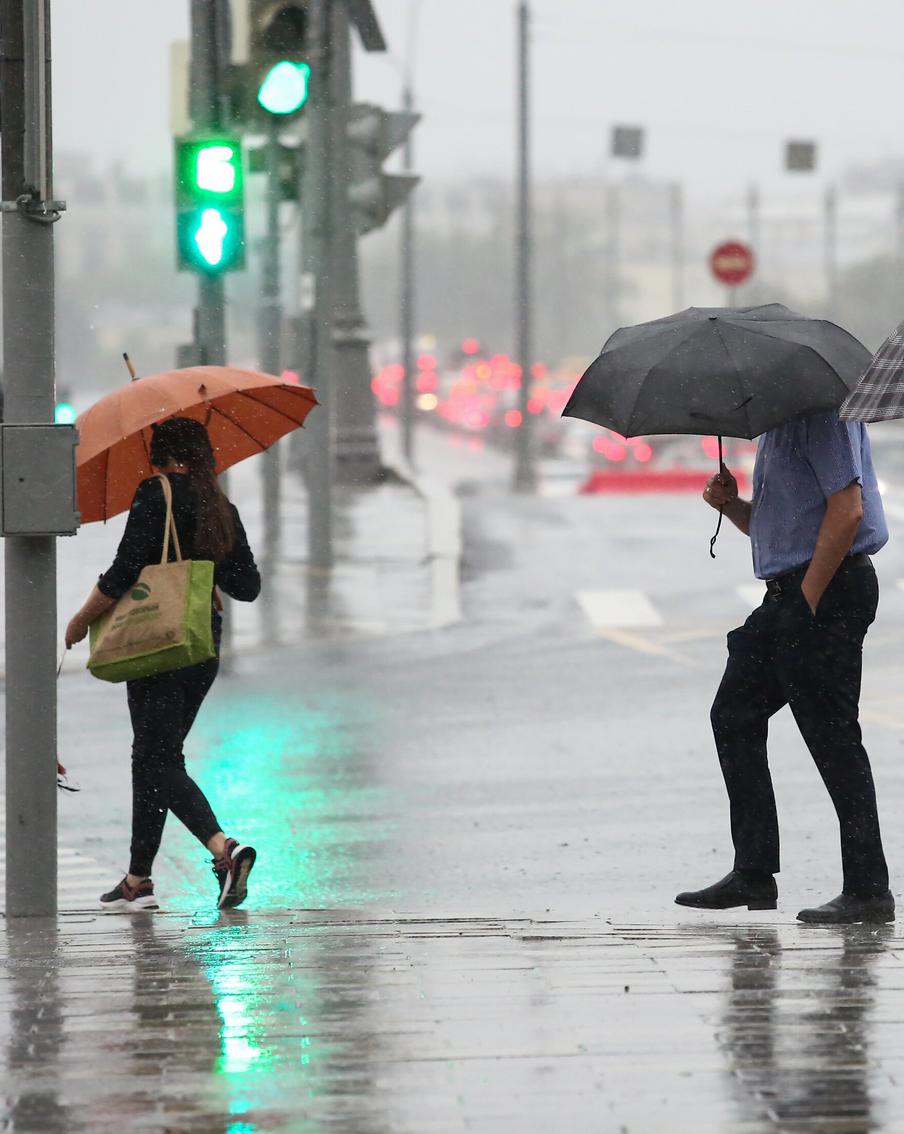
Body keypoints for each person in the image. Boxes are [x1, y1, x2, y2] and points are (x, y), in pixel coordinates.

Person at [675, 409, 893, 924]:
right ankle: (753, 870)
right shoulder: (778, 427)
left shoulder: (823, 414)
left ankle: (868, 889)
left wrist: (808, 599)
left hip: (829, 591)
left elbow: (848, 509)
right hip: (790, 594)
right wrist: (732, 506)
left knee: (833, 737)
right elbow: (781, 531)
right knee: (734, 715)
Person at [66, 418, 261, 913]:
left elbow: (124, 570)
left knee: (157, 759)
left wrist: (79, 620)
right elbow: (248, 586)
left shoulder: (155, 494)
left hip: (158, 640)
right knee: (153, 755)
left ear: (158, 456)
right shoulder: (219, 503)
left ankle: (224, 849)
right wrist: (203, 563)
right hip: (201, 644)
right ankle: (138, 878)